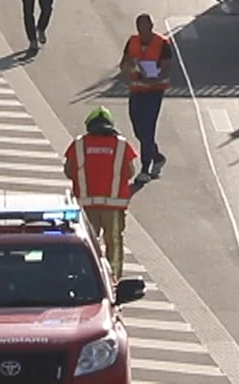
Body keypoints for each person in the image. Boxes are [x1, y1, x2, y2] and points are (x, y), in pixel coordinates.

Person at [64, 107, 136, 279]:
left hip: (86, 207)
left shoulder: (79, 144)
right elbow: (130, 172)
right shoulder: (121, 145)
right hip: (113, 207)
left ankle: (85, 276)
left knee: (85, 244)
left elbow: (68, 171)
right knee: (114, 244)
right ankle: (114, 279)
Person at [119, 14, 175, 179]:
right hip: (136, 90)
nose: (145, 31)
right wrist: (130, 67)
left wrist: (154, 78)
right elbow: (123, 64)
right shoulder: (132, 42)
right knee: (138, 127)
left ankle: (145, 169)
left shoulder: (162, 43)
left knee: (148, 128)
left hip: (154, 92)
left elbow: (166, 70)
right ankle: (157, 157)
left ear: (151, 26)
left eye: (147, 27)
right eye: (141, 28)